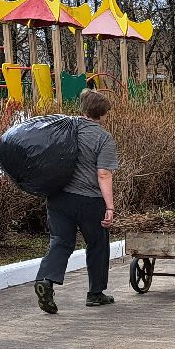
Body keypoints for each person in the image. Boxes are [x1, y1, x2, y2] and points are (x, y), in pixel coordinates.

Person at [33, 88, 118, 314]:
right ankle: (95, 293)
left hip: (59, 198)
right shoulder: (102, 137)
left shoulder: (65, 129)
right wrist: (109, 206)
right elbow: (104, 174)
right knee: (98, 244)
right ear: (102, 114)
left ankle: (46, 280)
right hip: (90, 200)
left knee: (61, 241)